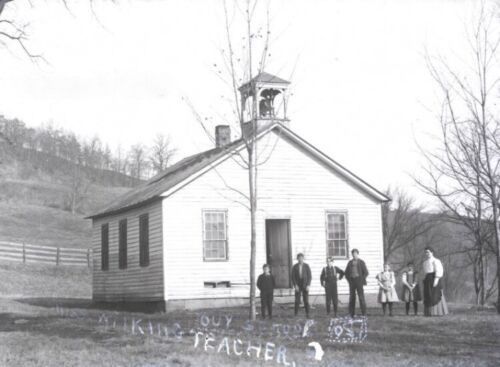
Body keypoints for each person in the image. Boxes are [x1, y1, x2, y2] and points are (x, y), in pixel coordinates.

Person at [422, 247, 449, 316]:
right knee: (428, 295)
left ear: (432, 252)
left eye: (428, 252)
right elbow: (425, 272)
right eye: (426, 252)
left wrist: (436, 280)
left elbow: (439, 271)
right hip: (428, 279)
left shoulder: (436, 261)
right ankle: (428, 312)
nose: (427, 253)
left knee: (435, 294)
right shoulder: (425, 262)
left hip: (434, 278)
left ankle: (437, 312)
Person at [344, 248, 369, 317]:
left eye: (355, 253)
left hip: (359, 281)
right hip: (352, 281)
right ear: (352, 254)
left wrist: (361, 279)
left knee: (361, 297)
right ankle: (351, 313)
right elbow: (346, 273)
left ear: (357, 254)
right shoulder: (349, 263)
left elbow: (366, 272)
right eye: (353, 254)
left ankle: (364, 313)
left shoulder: (361, 262)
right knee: (352, 297)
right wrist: (349, 280)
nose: (354, 255)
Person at [291, 253, 312, 318]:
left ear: (303, 258)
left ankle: (307, 314)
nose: (300, 259)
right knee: (297, 300)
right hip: (298, 285)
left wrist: (308, 285)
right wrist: (295, 285)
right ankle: (296, 314)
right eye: (299, 258)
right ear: (297, 259)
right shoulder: (295, 267)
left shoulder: (306, 266)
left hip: (305, 285)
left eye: (301, 258)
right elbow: (293, 277)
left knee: (306, 300)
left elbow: (309, 276)